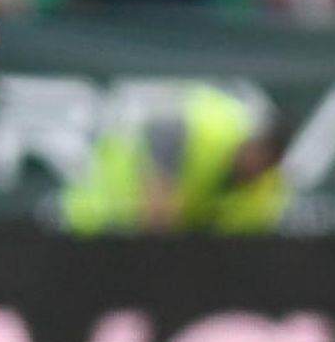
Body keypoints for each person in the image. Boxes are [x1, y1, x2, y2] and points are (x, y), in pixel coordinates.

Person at [61, 84, 291, 235]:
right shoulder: (206, 124)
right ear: (251, 141)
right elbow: (157, 208)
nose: (253, 168)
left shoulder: (264, 190)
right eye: (257, 153)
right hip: (98, 218)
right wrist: (161, 195)